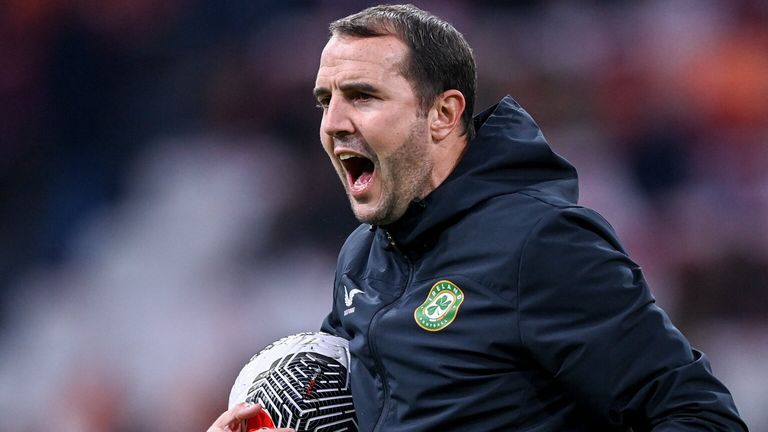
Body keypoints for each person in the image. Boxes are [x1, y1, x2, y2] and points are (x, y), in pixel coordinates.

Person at [209, 4, 747, 431]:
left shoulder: (540, 243)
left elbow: (699, 416)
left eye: (362, 96)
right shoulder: (362, 256)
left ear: (443, 114)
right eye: (324, 100)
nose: (333, 123)